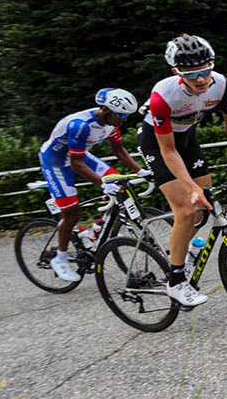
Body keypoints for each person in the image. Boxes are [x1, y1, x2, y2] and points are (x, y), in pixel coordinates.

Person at [138, 34, 227, 306]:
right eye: (191, 74)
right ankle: (175, 280)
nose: (200, 79)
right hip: (157, 144)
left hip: (187, 139)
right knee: (185, 209)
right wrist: (191, 188)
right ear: (176, 72)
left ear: (212, 65)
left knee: (206, 204)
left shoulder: (222, 85)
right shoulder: (163, 96)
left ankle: (184, 249)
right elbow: (168, 151)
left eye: (205, 70)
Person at [38, 88, 151, 282]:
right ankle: (61, 257)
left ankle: (96, 231)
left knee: (122, 188)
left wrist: (141, 170)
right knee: (71, 213)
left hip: (78, 157)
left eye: (126, 116)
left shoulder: (112, 122)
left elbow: (119, 150)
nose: (123, 120)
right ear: (106, 110)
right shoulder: (80, 125)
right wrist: (103, 184)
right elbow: (76, 164)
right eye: (120, 116)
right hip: (56, 162)